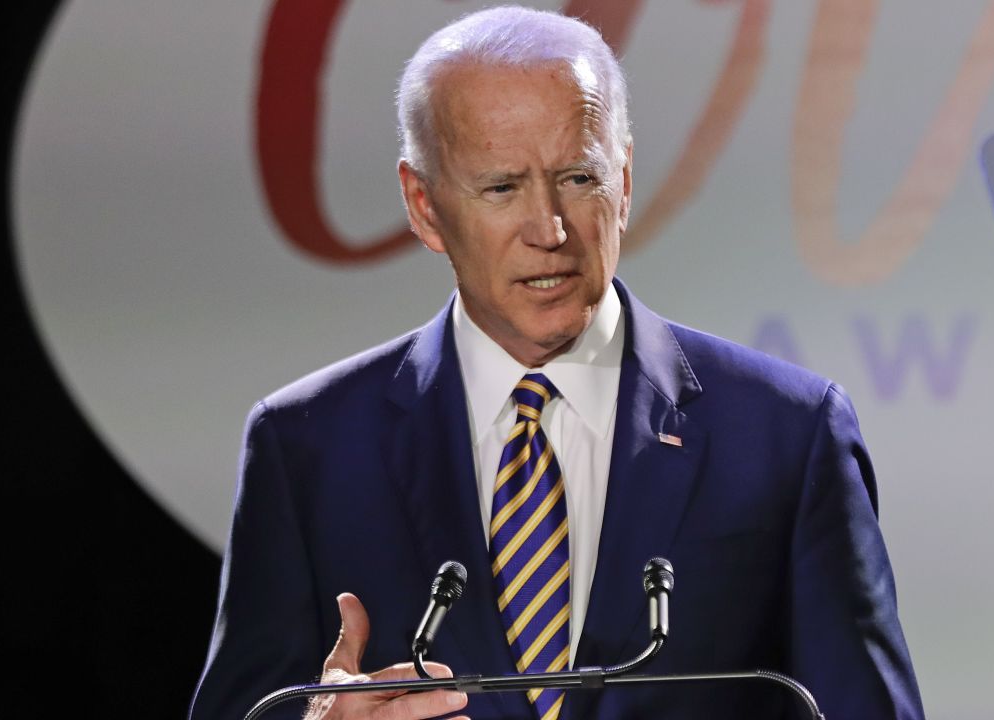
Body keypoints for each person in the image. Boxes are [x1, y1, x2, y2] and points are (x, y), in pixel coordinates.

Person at [190, 6, 924, 720]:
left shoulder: (785, 436)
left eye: (578, 177)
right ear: (422, 205)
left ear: (625, 177)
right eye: (502, 188)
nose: (549, 229)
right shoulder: (308, 447)